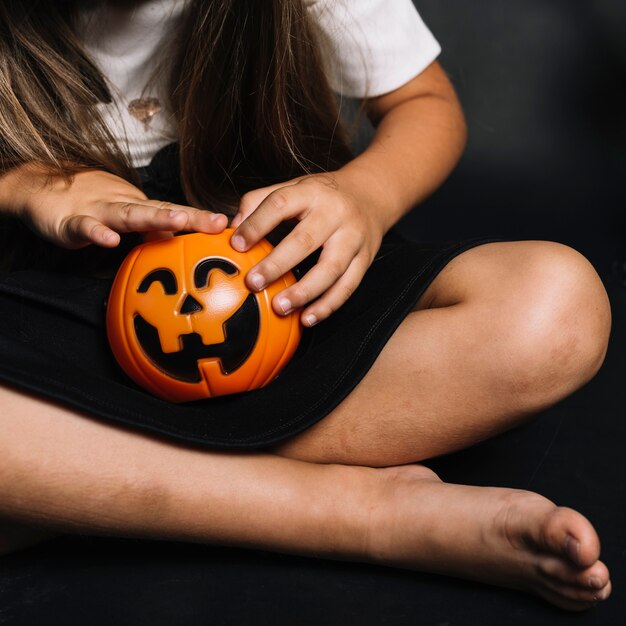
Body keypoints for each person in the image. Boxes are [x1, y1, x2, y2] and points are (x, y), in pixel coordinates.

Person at [0, 0, 613, 611]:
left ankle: (74, 479)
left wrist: (367, 196)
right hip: (43, 297)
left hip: (285, 280)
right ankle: (360, 514)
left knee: (556, 309)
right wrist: (24, 185)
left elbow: (424, 103)